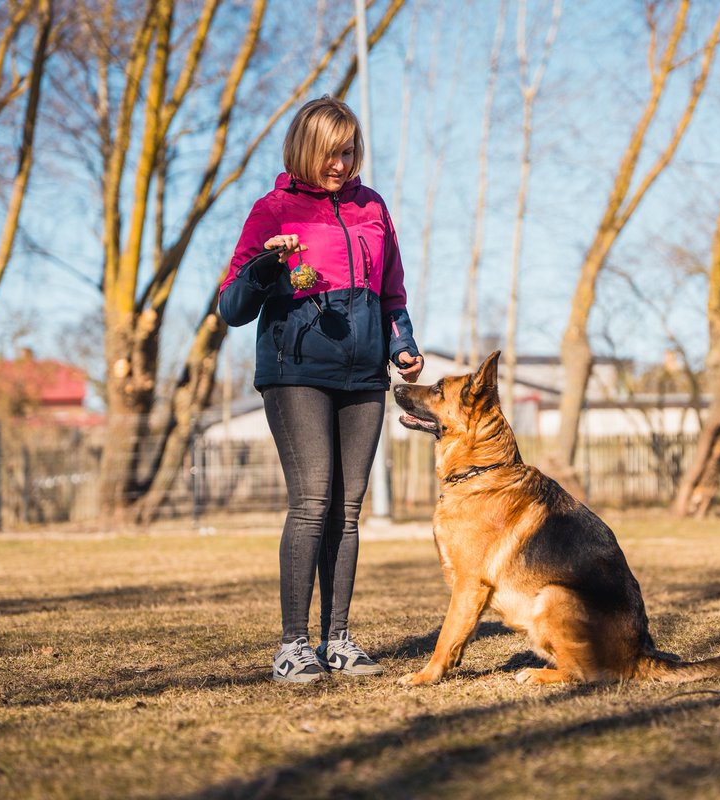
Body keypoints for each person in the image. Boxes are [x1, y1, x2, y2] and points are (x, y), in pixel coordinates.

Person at [218, 96, 424, 684]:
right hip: (296, 372)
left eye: (349, 150)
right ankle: (293, 645)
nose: (341, 162)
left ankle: (338, 639)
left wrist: (400, 344)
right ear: (305, 148)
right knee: (313, 502)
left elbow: (392, 294)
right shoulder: (273, 208)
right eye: (331, 151)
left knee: (348, 511)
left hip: (364, 376)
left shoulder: (372, 207)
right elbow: (231, 306)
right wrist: (264, 266)